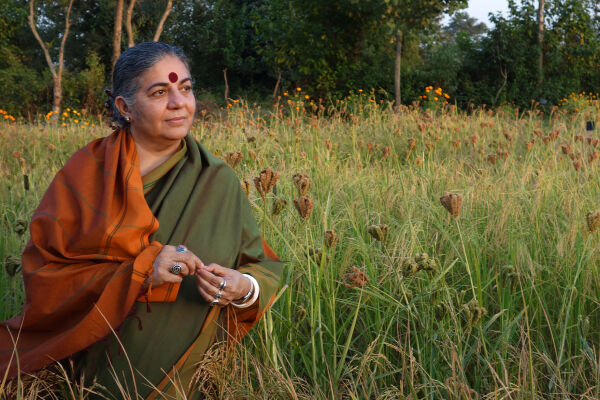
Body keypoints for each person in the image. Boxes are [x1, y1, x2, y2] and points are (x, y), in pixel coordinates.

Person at [0, 42, 283, 399]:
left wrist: (244, 288)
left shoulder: (217, 180)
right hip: (88, 371)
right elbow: (44, 276)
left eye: (186, 88)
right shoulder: (85, 175)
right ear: (124, 107)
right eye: (160, 92)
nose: (179, 102)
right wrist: (142, 271)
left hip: (186, 379)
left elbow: (261, 265)